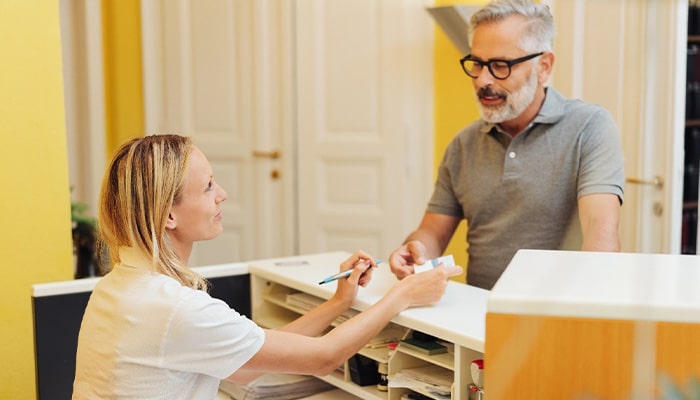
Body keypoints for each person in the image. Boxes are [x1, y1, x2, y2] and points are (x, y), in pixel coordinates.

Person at [72, 134, 462, 399]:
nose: (222, 194)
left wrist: (339, 303)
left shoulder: (119, 287)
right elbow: (323, 357)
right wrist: (400, 296)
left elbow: (243, 366)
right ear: (168, 216)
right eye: (208, 187)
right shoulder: (176, 310)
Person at [389, 0, 624, 290]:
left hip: (557, 317)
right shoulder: (463, 145)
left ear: (544, 66)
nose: (483, 80)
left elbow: (601, 232)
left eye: (500, 66)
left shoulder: (590, 128)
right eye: (477, 64)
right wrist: (416, 252)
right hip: (477, 316)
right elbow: (432, 234)